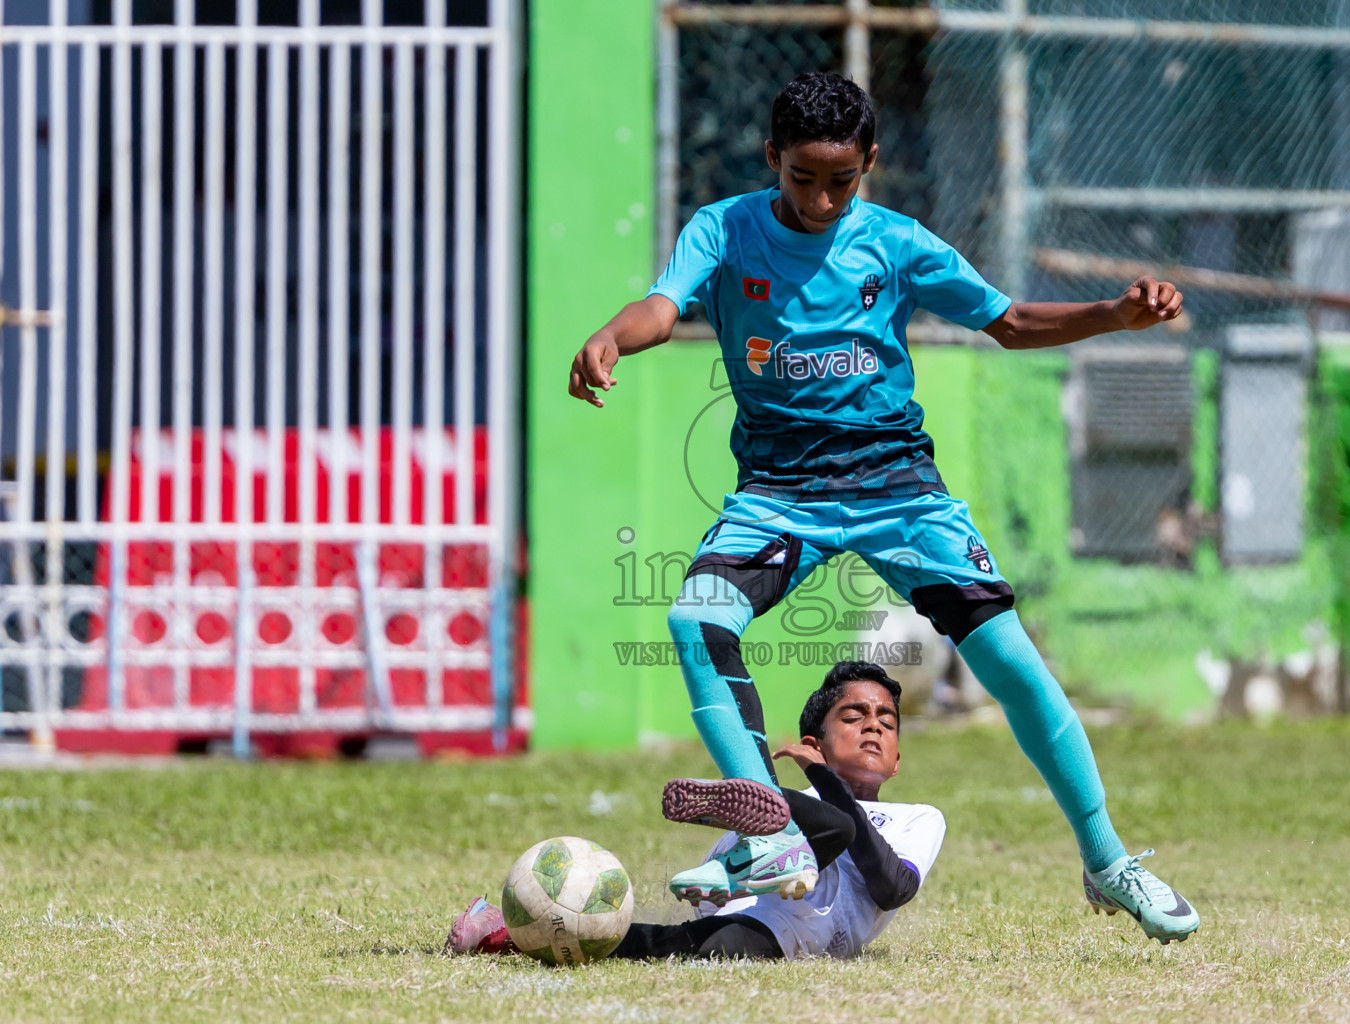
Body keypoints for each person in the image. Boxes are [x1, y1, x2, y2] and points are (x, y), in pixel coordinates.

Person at [567, 72, 1197, 943]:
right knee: (692, 620)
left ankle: (1109, 862)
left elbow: (1008, 321)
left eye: (842, 180)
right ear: (771, 161)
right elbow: (661, 307)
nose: (822, 198)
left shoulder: (895, 243)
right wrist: (610, 336)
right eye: (802, 178)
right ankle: (776, 833)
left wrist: (1114, 314)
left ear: (869, 162)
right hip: (780, 495)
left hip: (899, 488)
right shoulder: (724, 229)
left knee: (1012, 661)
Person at [446, 661, 945, 960]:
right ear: (814, 742)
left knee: (831, 825)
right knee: (686, 941)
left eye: (887, 722)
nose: (873, 728)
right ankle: (509, 931)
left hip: (806, 934)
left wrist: (824, 780)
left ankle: (765, 859)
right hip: (765, 911)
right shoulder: (797, 805)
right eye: (854, 717)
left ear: (898, 759)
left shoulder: (920, 817)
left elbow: (891, 887)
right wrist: (823, 786)